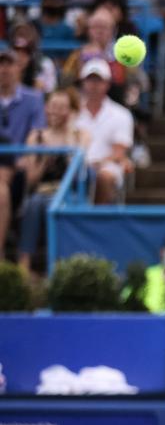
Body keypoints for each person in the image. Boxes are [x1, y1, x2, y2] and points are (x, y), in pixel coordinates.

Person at [16, 88, 87, 274]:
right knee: (34, 203)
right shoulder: (36, 137)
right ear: (46, 108)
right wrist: (43, 160)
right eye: (53, 106)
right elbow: (31, 181)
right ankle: (24, 264)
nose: (55, 111)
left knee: (55, 205)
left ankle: (60, 266)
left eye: (62, 107)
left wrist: (70, 132)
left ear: (71, 111)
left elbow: (77, 174)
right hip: (41, 192)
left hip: (68, 194)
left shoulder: (80, 136)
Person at [0, 45, 46, 255]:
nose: (3, 69)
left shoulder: (34, 98)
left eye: (8, 63)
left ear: (18, 67)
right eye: (0, 64)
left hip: (21, 168)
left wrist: (25, 158)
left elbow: (37, 135)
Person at [74, 58, 132, 204]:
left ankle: (96, 220)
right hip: (75, 166)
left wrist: (95, 164)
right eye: (90, 80)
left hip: (107, 166)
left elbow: (119, 152)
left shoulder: (121, 114)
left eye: (98, 80)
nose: (94, 85)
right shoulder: (72, 113)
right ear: (83, 83)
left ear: (107, 84)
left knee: (104, 176)